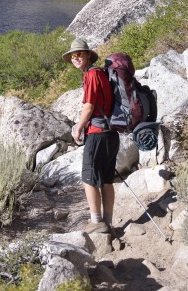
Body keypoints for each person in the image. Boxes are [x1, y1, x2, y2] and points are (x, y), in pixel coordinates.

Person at [62, 38, 119, 233]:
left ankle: (97, 224)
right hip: (110, 134)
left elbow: (89, 106)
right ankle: (108, 223)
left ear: (88, 55)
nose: (75, 58)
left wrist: (79, 127)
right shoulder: (99, 73)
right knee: (106, 180)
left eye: (79, 54)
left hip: (98, 134)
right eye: (72, 55)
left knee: (89, 178)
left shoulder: (92, 75)